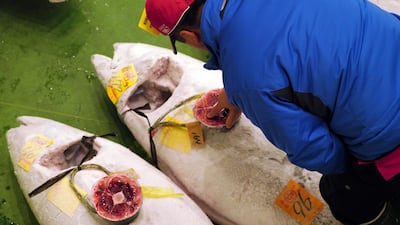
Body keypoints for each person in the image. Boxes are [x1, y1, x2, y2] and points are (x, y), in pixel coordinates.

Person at [144, 0, 400, 224]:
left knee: (341, 191)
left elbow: (315, 149)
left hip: (392, 145)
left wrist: (245, 86)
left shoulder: (249, 79)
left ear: (190, 37)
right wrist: (239, 89)